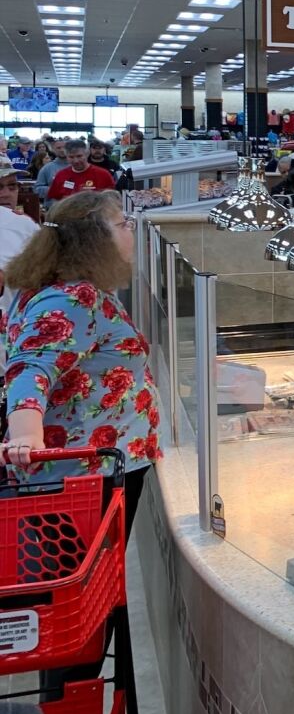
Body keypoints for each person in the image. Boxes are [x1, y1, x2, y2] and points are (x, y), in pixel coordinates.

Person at [1, 191, 162, 495]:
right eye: (121, 224)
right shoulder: (74, 297)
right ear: (94, 240)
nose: (130, 229)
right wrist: (25, 436)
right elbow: (30, 367)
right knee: (92, 546)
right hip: (84, 472)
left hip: (93, 463)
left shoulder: (60, 287)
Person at [45, 140, 116, 201]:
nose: (76, 161)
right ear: (66, 157)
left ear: (87, 154)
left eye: (79, 156)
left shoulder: (103, 175)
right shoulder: (61, 175)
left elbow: (112, 200)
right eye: (71, 157)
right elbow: (55, 199)